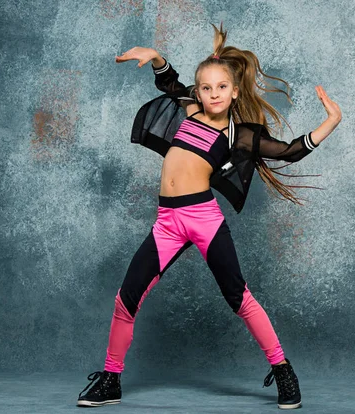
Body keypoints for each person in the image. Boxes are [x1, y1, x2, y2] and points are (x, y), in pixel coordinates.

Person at [77, 24, 341, 410]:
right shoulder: (191, 108)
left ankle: (283, 369)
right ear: (198, 92)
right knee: (125, 298)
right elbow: (170, 84)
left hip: (203, 218)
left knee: (239, 297)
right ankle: (112, 378)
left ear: (234, 92)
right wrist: (155, 57)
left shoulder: (239, 134)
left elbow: (288, 151)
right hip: (166, 222)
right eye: (206, 88)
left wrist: (330, 122)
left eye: (221, 87)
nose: (213, 94)